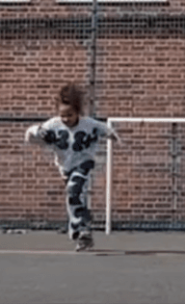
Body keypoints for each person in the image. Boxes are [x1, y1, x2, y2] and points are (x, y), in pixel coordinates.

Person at [24, 83, 119, 252]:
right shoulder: (53, 125)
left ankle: (82, 229)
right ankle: (79, 229)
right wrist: (35, 133)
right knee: (74, 196)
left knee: (74, 189)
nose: (66, 119)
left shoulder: (88, 124)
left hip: (84, 163)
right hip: (65, 166)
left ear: (78, 112)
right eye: (63, 115)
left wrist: (113, 136)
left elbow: (106, 129)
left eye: (70, 115)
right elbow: (30, 134)